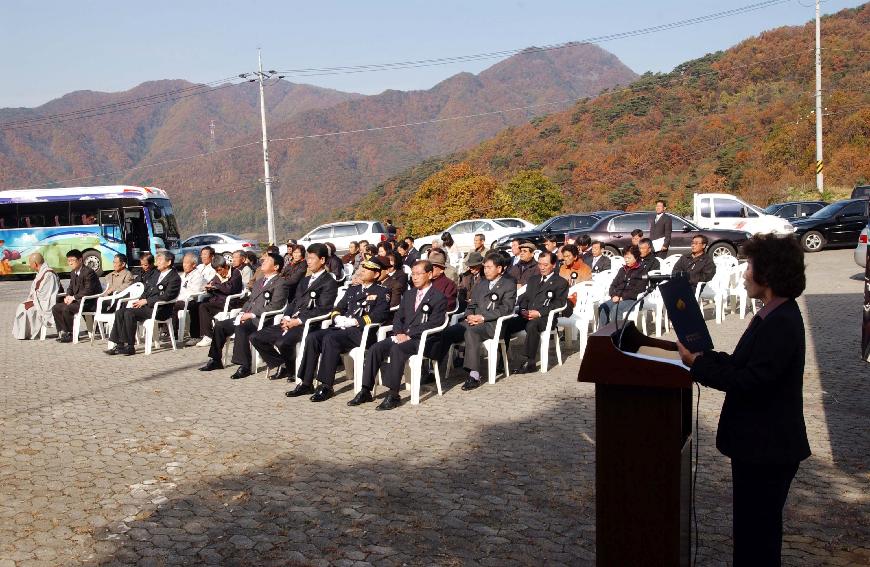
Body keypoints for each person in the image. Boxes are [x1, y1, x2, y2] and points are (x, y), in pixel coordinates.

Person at [677, 234, 810, 566]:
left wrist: (698, 365)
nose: (744, 273)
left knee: (758, 539)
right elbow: (741, 364)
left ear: (767, 274)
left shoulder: (781, 321)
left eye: (749, 266)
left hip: (768, 448)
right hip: (759, 447)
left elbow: (751, 381)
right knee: (752, 533)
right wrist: (705, 356)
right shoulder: (772, 314)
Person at [348, 260, 448, 410]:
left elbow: (435, 323)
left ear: (429, 274)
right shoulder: (409, 294)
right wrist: (399, 332)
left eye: (419, 274)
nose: (415, 277)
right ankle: (365, 389)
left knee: (397, 350)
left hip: (424, 339)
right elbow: (398, 317)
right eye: (413, 274)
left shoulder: (438, 297)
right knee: (376, 348)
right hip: (403, 336)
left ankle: (393, 394)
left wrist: (408, 334)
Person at [289, 259, 391, 401]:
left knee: (331, 339)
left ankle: (326, 386)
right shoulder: (353, 289)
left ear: (376, 274)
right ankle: (306, 383)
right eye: (362, 268)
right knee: (313, 337)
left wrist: (355, 321)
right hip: (342, 329)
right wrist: (337, 317)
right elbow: (338, 307)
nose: (362, 271)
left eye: (367, 270)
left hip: (361, 332)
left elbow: (381, 314)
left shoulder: (382, 292)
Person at [250, 243, 340, 380]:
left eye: (311, 258)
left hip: (309, 324)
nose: (308, 261)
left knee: (282, 342)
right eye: (307, 258)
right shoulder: (305, 280)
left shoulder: (329, 282)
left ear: (322, 260)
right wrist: (286, 316)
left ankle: (291, 370)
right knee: (256, 337)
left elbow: (324, 309)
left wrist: (297, 321)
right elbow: (294, 302)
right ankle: (285, 364)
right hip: (292, 320)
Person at [200, 253, 291, 379]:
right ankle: (215, 360)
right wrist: (243, 312)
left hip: (263, 319)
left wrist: (251, 314)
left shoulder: (281, 283)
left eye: (268, 260)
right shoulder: (260, 282)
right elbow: (249, 300)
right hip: (248, 316)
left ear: (276, 267)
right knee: (220, 325)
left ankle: (245, 365)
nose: (263, 261)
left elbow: (276, 306)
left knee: (241, 328)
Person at [436, 252, 517, 391]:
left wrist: (482, 317)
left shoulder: (508, 284)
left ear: (499, 268)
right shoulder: (481, 283)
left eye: (489, 267)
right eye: (484, 267)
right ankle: (434, 368)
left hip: (492, 325)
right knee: (448, 331)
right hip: (473, 321)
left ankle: (474, 375)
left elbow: (507, 309)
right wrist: (469, 316)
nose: (486, 270)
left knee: (471, 332)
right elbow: (471, 305)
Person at [106, 251, 181, 355]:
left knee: (128, 313)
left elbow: (168, 296)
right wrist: (140, 300)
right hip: (147, 307)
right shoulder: (157, 275)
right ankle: (119, 345)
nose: (157, 263)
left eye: (159, 260)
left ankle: (130, 346)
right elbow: (147, 290)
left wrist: (147, 301)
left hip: (161, 309)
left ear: (168, 262)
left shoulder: (174, 277)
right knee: (120, 312)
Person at [505, 252, 569, 373]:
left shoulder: (560, 282)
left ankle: (529, 361)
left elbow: (559, 304)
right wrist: (523, 310)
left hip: (545, 317)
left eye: (545, 264)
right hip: (527, 315)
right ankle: (502, 360)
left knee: (532, 325)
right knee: (506, 324)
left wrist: (538, 313)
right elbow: (525, 298)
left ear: (554, 265)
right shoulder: (533, 279)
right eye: (539, 264)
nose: (542, 267)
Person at [51, 249, 102, 342]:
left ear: (80, 260)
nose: (70, 263)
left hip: (89, 302)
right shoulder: (73, 273)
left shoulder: (88, 272)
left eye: (72, 260)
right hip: (78, 301)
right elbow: (70, 288)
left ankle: (72, 334)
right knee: (56, 307)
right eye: (68, 261)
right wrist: (67, 297)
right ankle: (64, 332)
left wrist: (73, 297)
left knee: (67, 308)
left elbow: (88, 290)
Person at [195, 256, 243, 346]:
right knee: (198, 304)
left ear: (225, 266)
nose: (218, 272)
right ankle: (203, 334)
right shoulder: (217, 275)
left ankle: (208, 336)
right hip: (218, 300)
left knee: (204, 307)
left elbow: (230, 289)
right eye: (216, 270)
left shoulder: (235, 273)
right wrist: (209, 288)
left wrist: (217, 287)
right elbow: (213, 283)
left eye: (220, 270)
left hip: (230, 302)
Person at [597, 246, 647, 327]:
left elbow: (640, 289)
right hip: (617, 297)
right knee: (603, 307)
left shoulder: (642, 271)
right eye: (625, 257)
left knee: (616, 309)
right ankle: (603, 333)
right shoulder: (622, 270)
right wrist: (613, 295)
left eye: (629, 258)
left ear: (636, 257)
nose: (626, 260)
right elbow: (613, 285)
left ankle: (616, 333)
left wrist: (622, 298)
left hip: (633, 299)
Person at [13, 253, 60, 339]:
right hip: (39, 300)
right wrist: (32, 298)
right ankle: (23, 334)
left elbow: (46, 293)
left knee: (28, 309)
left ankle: (30, 333)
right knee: (22, 306)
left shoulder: (49, 274)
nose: (29, 265)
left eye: (30, 263)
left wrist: (34, 298)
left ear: (35, 264)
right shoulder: (40, 273)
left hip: (46, 302)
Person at [173, 253, 207, 339]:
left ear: (194, 264)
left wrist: (179, 297)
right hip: (180, 299)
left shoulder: (197, 275)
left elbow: (193, 292)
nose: (184, 265)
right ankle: (171, 331)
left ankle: (175, 333)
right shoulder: (182, 275)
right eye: (183, 262)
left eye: (186, 263)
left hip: (191, 301)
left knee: (173, 306)